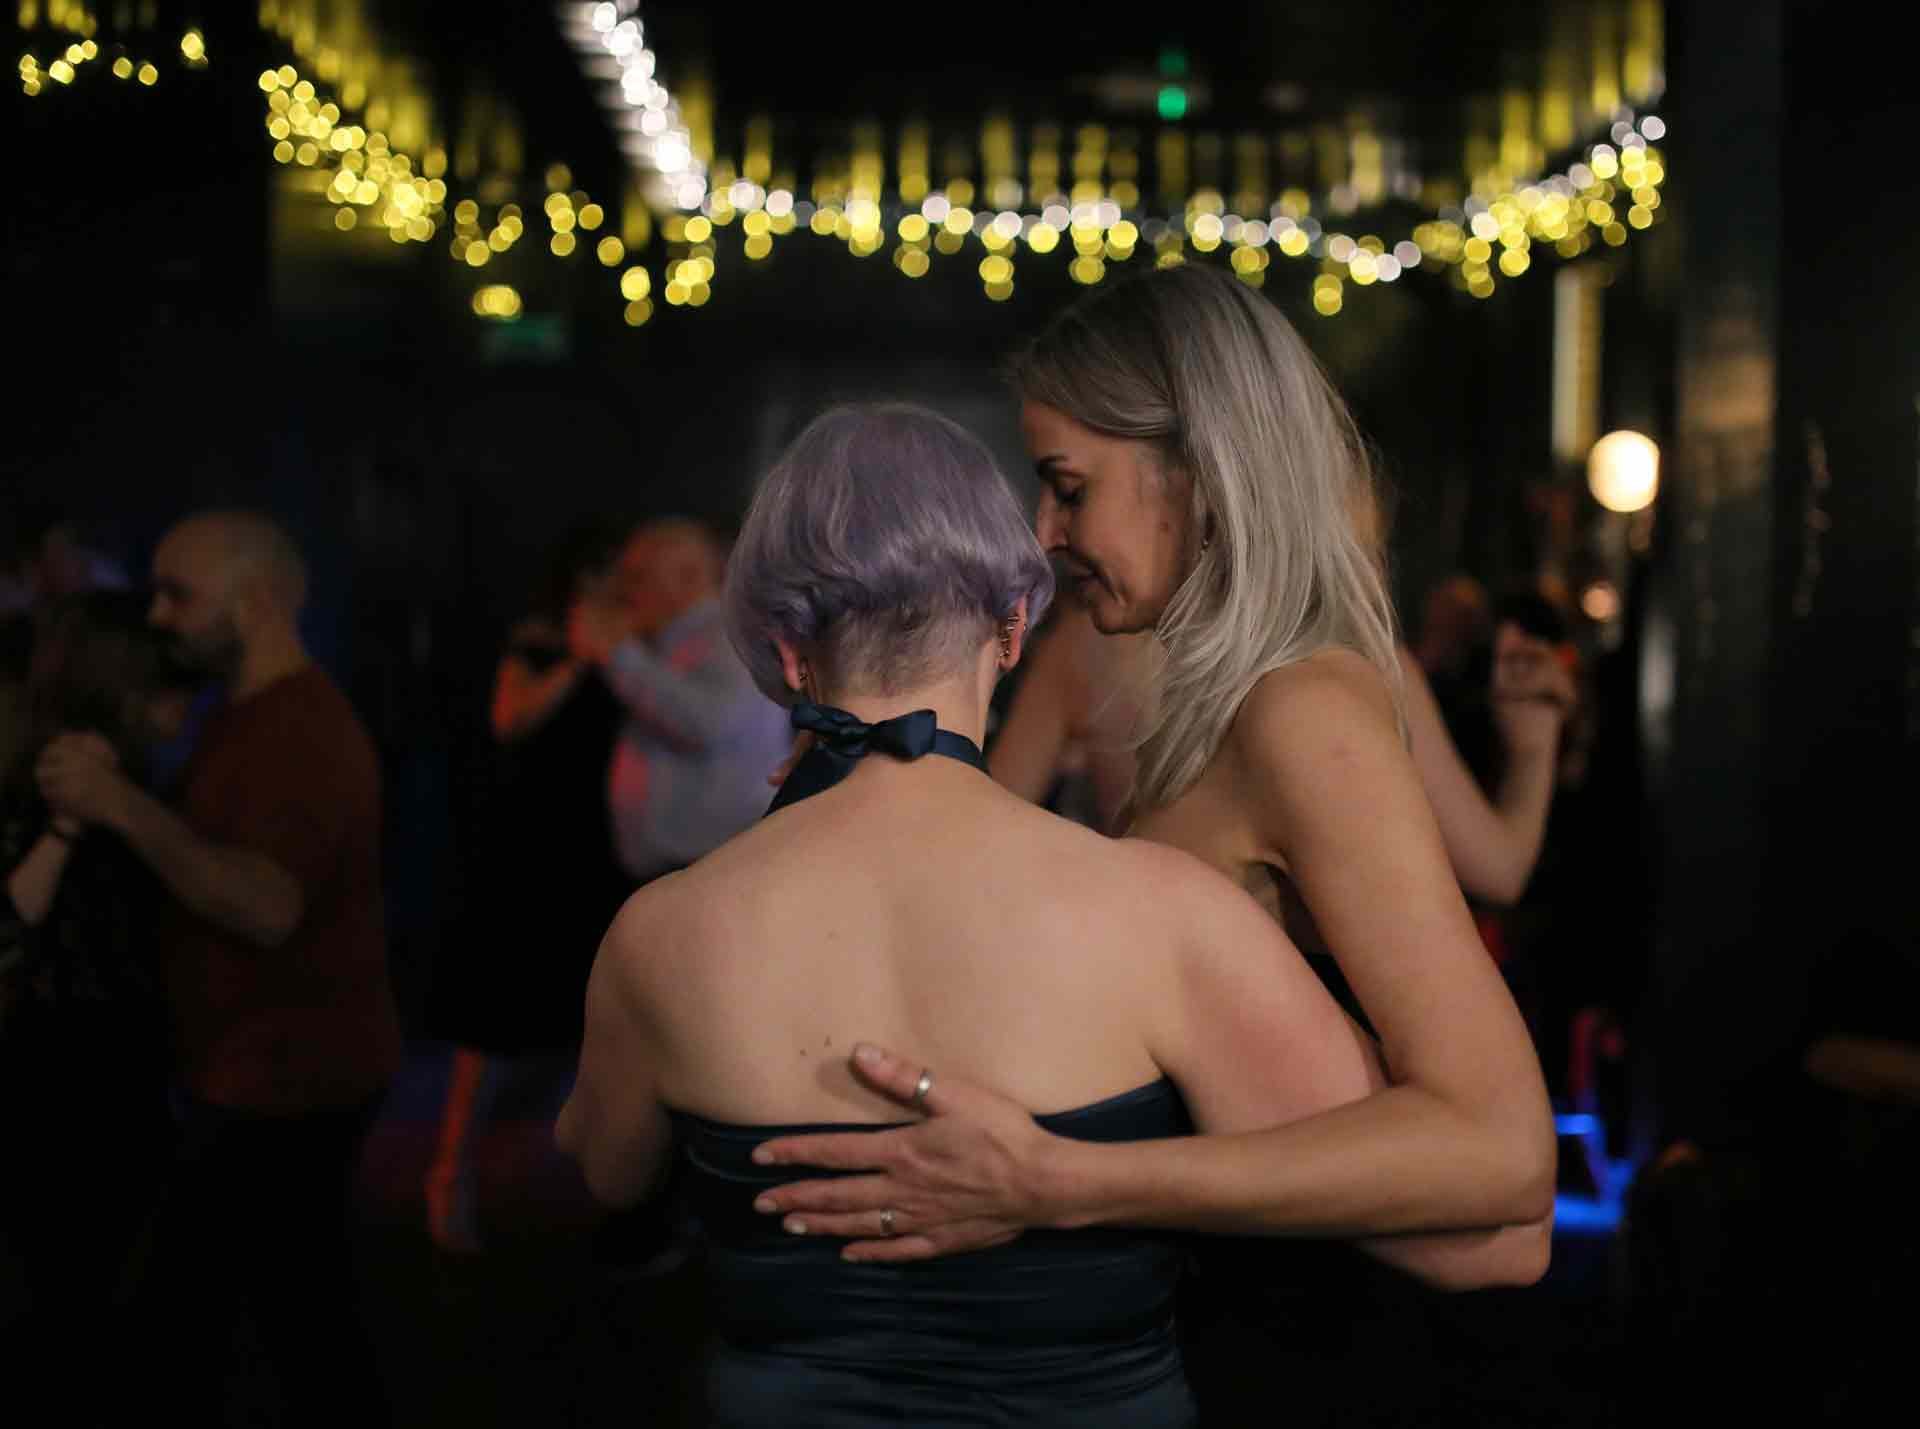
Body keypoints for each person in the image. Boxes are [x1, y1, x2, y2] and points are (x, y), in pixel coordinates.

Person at [557, 404, 1546, 1428]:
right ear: (1013, 629)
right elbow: (1490, 1238)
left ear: (786, 652)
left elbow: (605, 1167)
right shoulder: (1162, 917)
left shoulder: (660, 934)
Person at [35, 510, 399, 1427]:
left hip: (285, 1077)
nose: (157, 616)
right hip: (258, 1071)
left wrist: (117, 803)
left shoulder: (298, 732)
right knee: (282, 1319)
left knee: (213, 1322)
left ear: (257, 601)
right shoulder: (247, 714)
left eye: (178, 594)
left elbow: (266, 906)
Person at [0, 592, 194, 1420]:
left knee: (87, 1278)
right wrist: (71, 823)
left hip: (103, 1052)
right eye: (169, 688)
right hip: (69, 1057)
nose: (184, 707)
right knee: (75, 1283)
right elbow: (10, 925)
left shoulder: (127, 778)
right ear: (126, 688)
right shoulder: (52, 777)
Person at [424, 521, 633, 1254]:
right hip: (532, 841)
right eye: (602, 576)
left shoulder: (643, 647)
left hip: (604, 846)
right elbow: (509, 719)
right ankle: (451, 1173)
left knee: (596, 1013)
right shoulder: (542, 637)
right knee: (495, 1015)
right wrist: (582, 657)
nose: (614, 589)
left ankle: (596, 1185)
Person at [569, 517, 793, 885]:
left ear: (689, 576)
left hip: (709, 866)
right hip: (683, 866)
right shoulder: (676, 637)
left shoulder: (731, 636)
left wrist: (618, 653)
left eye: (638, 577)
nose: (623, 591)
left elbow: (708, 723)